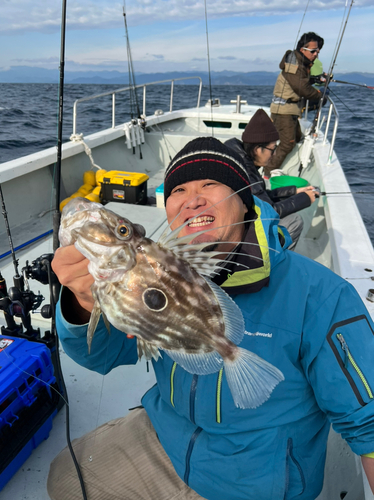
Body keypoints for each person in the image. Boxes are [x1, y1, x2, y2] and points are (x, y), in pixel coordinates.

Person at [47, 137, 374, 500]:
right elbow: (102, 357)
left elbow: (369, 424)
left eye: (210, 184)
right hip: (168, 438)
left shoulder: (320, 294)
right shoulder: (155, 269)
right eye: (180, 189)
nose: (193, 198)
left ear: (242, 200)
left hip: (254, 481)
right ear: (169, 210)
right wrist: (82, 299)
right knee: (65, 477)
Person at [225, 108, 317, 249]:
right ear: (257, 149)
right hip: (235, 233)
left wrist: (295, 191)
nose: (274, 154)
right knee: (294, 221)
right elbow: (269, 211)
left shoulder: (239, 157)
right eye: (272, 149)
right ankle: (271, 263)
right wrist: (305, 199)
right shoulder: (246, 172)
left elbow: (261, 195)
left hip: (234, 221)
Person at [266, 32, 326, 176]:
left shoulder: (301, 63)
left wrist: (316, 79)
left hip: (291, 109)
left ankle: (274, 163)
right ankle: (267, 174)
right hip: (283, 110)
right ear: (302, 50)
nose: (316, 54)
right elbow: (302, 88)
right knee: (288, 143)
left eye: (317, 51)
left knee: (297, 139)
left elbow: (301, 82)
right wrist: (320, 95)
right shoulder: (294, 63)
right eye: (313, 51)